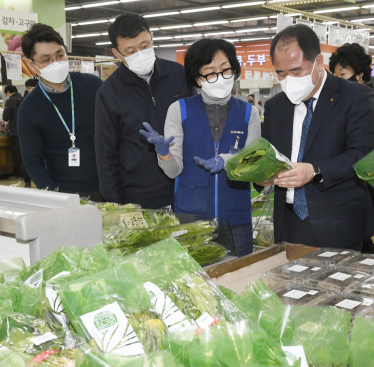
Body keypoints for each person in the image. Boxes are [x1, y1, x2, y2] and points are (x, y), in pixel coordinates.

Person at [260, 25, 374, 249]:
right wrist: (261, 175)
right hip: (287, 222)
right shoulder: (275, 107)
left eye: (296, 71)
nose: (289, 80)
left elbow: (364, 154)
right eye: (281, 73)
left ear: (318, 62)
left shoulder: (355, 96)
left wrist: (314, 171)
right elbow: (270, 156)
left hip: (338, 222)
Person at [139, 39, 261, 256]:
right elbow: (173, 171)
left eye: (225, 70)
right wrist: (164, 153)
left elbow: (253, 166)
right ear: (198, 78)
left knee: (239, 276)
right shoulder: (180, 110)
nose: (220, 78)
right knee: (194, 280)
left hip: (236, 216)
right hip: (191, 217)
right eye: (210, 72)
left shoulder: (248, 113)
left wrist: (226, 160)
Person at [95, 13, 191, 208]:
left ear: (152, 37)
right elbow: (106, 153)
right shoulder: (109, 92)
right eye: (130, 51)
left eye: (144, 46)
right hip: (139, 195)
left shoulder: (179, 75)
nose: (139, 53)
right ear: (117, 53)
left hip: (185, 185)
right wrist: (116, 205)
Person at [18, 23, 104, 200]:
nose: (55, 63)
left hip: (107, 187)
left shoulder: (94, 86)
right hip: (64, 194)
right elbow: (33, 162)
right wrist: (55, 194)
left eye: (60, 55)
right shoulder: (28, 109)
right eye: (46, 59)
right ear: (31, 65)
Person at [329, 43, 374, 255]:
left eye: (342, 73)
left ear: (360, 75)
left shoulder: (366, 99)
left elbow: (367, 148)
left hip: (363, 182)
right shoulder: (343, 99)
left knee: (359, 242)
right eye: (334, 73)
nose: (337, 78)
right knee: (359, 242)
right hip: (350, 180)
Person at [2, 85, 24, 181]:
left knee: (16, 153)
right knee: (24, 153)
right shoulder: (23, 98)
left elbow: (5, 117)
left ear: (8, 92)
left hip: (15, 131)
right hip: (25, 131)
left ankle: (17, 174)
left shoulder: (10, 101)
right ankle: (26, 174)